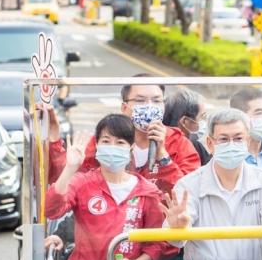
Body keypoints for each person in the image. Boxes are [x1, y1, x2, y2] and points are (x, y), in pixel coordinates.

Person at [162, 108, 262, 260]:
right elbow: (176, 241)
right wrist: (176, 227)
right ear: (210, 144)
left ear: (247, 141)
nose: (232, 145)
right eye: (223, 139)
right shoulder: (188, 185)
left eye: (238, 138)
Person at [46, 114, 167, 260]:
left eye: (120, 143)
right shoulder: (82, 182)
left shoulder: (147, 191)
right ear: (97, 145)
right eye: (106, 141)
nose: (112, 147)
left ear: (131, 147)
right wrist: (70, 168)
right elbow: (51, 209)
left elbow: (157, 242)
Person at [47, 75, 200, 194]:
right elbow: (63, 180)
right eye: (140, 100)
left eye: (156, 100)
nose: (149, 107)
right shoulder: (105, 141)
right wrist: (53, 141)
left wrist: (163, 156)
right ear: (124, 107)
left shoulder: (179, 143)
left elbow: (189, 193)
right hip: (114, 230)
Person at [163, 89, 211, 165]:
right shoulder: (162, 149)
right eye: (202, 116)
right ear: (185, 122)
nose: (205, 121)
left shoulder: (196, 144)